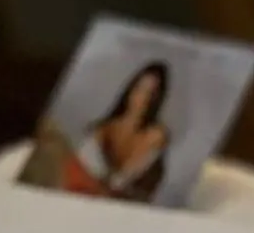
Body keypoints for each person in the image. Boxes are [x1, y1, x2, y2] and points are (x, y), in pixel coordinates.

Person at [58, 61, 173, 201]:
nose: (144, 98)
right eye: (140, 89)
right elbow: (78, 170)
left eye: (152, 93)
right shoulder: (103, 128)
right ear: (130, 89)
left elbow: (142, 184)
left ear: (159, 98)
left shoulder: (156, 135)